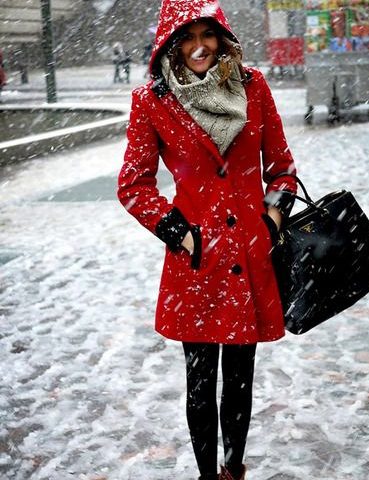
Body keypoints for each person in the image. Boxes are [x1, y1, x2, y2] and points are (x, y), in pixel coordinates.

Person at [117, 1, 297, 479]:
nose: (199, 47)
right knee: (200, 381)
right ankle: (205, 474)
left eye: (208, 36)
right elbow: (133, 185)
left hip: (248, 257)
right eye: (187, 37)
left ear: (222, 37)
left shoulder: (253, 87)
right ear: (170, 44)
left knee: (240, 378)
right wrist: (179, 232)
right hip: (195, 263)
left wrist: (274, 219)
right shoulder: (152, 100)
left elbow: (281, 167)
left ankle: (232, 468)